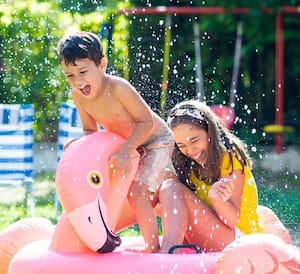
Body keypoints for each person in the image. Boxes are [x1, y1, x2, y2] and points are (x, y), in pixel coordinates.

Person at [57, 31, 174, 253]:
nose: (78, 81)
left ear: (102, 64)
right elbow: (90, 130)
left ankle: (153, 249)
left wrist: (126, 149)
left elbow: (146, 122)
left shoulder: (117, 88)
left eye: (83, 72)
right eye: (69, 76)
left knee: (137, 192)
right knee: (121, 191)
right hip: (129, 147)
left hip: (156, 141)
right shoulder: (78, 96)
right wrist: (79, 146)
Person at [158, 99, 263, 253]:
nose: (191, 150)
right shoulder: (189, 164)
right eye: (181, 146)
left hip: (239, 240)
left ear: (210, 132)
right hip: (212, 234)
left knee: (171, 187)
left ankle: (168, 253)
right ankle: (112, 232)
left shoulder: (229, 158)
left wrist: (217, 199)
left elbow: (232, 220)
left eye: (194, 140)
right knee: (161, 179)